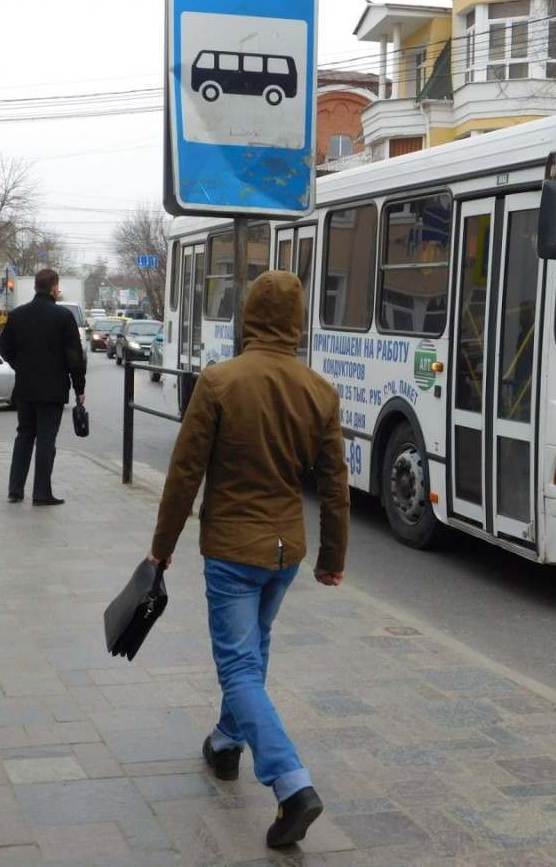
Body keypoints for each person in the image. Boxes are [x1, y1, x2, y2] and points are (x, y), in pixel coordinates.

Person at [148, 270, 350, 849]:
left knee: (238, 666)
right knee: (253, 653)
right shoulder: (319, 391)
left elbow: (185, 474)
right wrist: (332, 557)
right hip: (285, 551)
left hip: (233, 550)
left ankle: (292, 785)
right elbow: (335, 486)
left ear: (249, 317)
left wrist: (161, 549)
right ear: (296, 322)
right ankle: (224, 744)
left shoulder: (220, 382)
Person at [0, 269, 86, 506]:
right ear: (54, 287)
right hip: (53, 388)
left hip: (25, 387)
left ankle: (15, 490)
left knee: (24, 435)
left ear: (36, 287)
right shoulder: (63, 317)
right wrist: (79, 388)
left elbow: (4, 349)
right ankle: (41, 493)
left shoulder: (18, 315)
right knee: (46, 439)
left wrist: (21, 366)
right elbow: (74, 356)